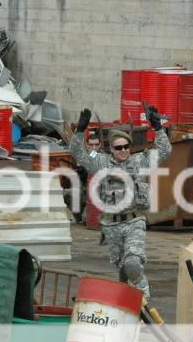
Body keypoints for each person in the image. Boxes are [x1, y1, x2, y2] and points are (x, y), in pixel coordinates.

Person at [70, 105, 171, 299]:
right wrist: (80, 130)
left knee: (133, 263)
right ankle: (125, 306)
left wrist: (158, 128)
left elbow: (164, 151)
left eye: (126, 146)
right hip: (111, 225)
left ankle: (144, 301)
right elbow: (77, 153)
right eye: (119, 147)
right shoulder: (100, 162)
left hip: (134, 222)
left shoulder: (139, 161)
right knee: (123, 270)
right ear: (111, 149)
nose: (123, 150)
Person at [72, 131, 103, 223]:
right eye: (91, 145)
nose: (94, 148)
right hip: (86, 187)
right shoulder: (82, 157)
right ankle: (78, 216)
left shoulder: (105, 156)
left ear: (100, 144)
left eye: (96, 145)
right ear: (86, 145)